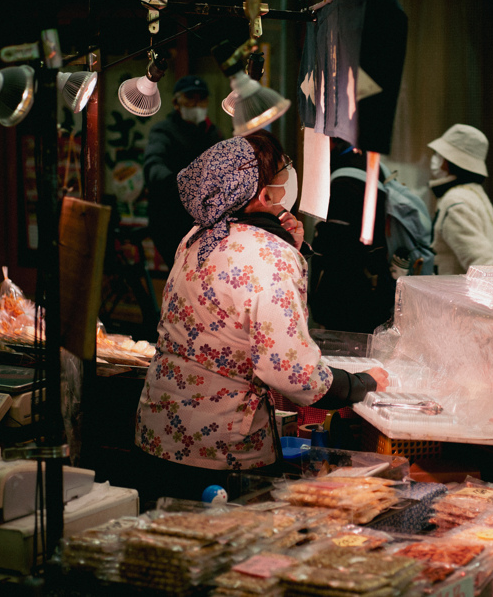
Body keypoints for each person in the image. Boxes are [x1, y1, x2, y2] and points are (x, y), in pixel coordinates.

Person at [133, 132, 389, 502]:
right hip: (220, 456)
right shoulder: (271, 257)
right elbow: (294, 374)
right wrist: (362, 382)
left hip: (155, 436)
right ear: (263, 194)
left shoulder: (196, 237)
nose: (291, 175)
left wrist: (287, 243)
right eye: (284, 171)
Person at [308, 137, 396, 333]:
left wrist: (319, 304)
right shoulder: (368, 165)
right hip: (374, 289)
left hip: (347, 302)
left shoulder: (344, 182)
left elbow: (334, 251)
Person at [142, 75, 223, 267]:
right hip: (171, 220)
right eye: (190, 97)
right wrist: (171, 181)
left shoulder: (213, 133)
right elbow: (154, 162)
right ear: (176, 102)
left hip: (206, 222)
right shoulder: (163, 131)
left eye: (201, 98)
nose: (196, 103)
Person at [427, 124, 493, 274]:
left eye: (440, 154)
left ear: (451, 161)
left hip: (455, 294)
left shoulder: (455, 200)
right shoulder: (475, 194)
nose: (436, 159)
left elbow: (483, 263)